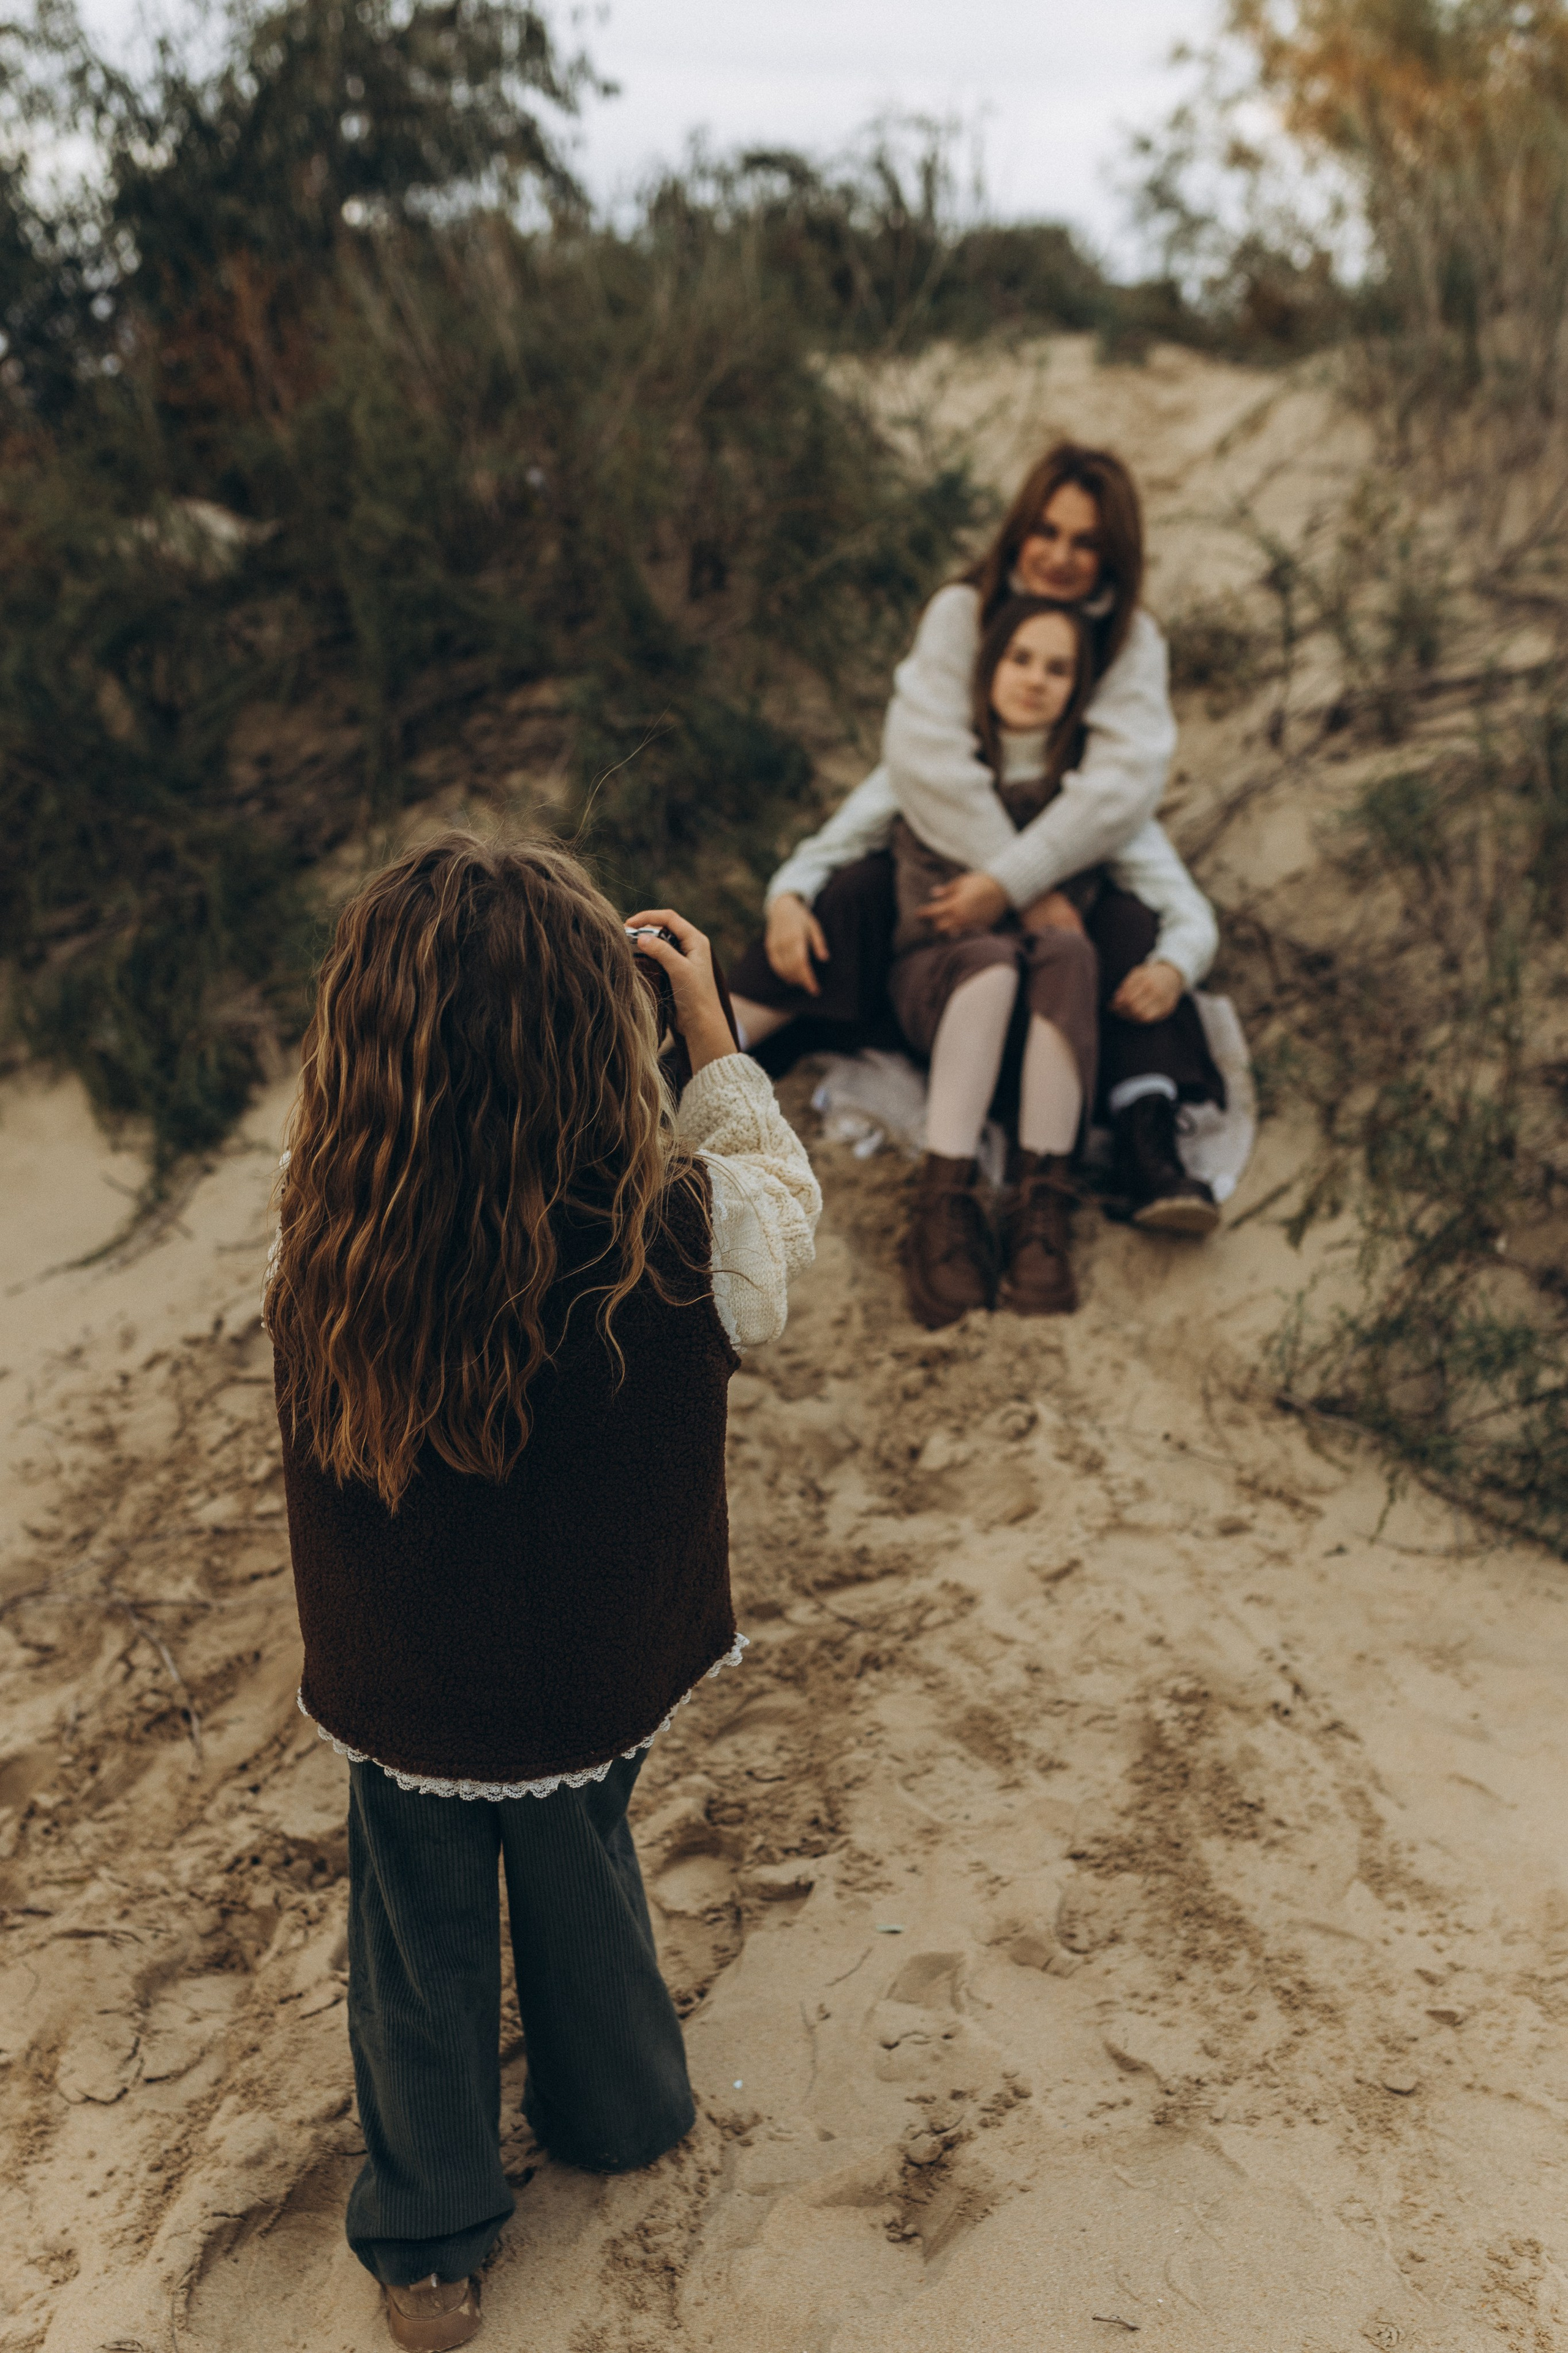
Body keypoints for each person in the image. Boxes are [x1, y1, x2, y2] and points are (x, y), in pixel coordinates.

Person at [264, 833, 820, 2351]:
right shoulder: (685, 1234)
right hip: (593, 1668)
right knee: (580, 1856)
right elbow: (781, 1191)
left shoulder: (329, 1228)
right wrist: (709, 1027)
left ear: (371, 1052)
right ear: (598, 1045)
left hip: (404, 1681)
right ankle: (621, 2106)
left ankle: (430, 2240)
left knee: (416, 1937)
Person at [727, 443, 1222, 1228]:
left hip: (1070, 888)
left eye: (1086, 541)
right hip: (944, 902)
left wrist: (1027, 887)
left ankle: (1146, 1141)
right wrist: (1009, 887)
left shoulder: (1131, 641)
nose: (1060, 557)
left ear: (1115, 554)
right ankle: (701, 1051)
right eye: (1046, 531)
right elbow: (922, 764)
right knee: (854, 887)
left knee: (1129, 927)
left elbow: (1122, 789)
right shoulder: (962, 611)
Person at [886, 597, 1219, 1328]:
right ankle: (943, 1198)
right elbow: (831, 848)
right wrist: (787, 898)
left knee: (1069, 947)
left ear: (1082, 689)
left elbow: (1189, 911)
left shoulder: (1094, 804)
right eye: (1020, 658)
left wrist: (1172, 966)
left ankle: (1042, 1202)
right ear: (987, 666)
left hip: (1035, 1028)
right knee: (994, 959)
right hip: (941, 991)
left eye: (1059, 667)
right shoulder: (933, 766)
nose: (1035, 679)